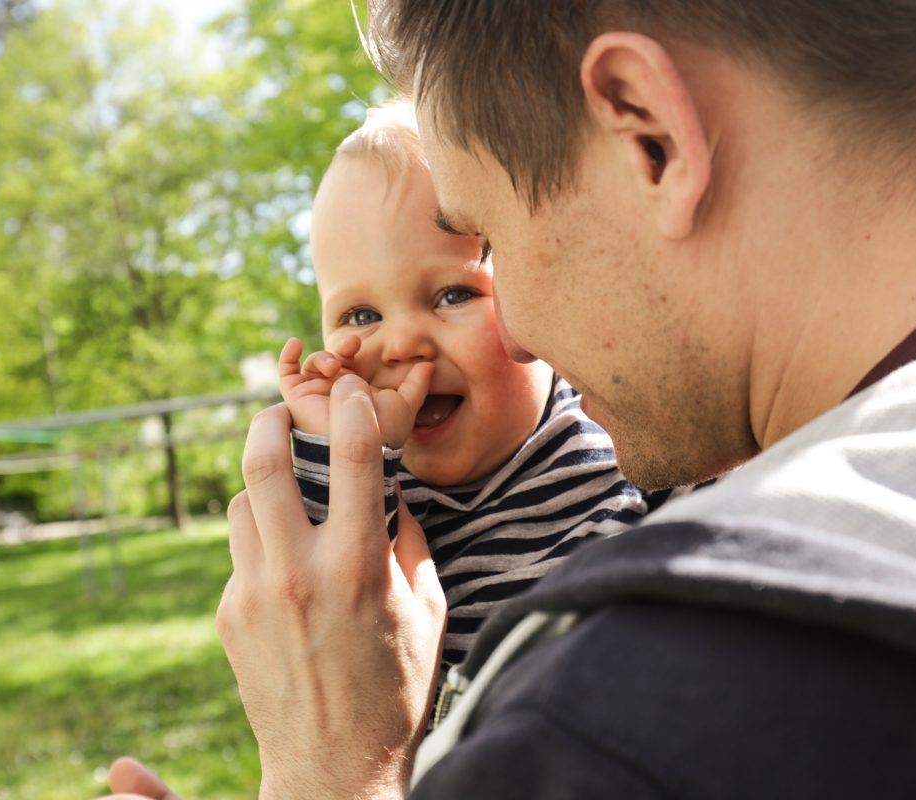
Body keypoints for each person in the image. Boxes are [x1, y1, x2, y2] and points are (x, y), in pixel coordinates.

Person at [101, 0, 916, 797]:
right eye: (361, 314)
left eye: (493, 241)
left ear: (650, 134)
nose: (520, 335)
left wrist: (330, 776)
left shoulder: (609, 727)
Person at [279, 102, 675, 671]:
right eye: (361, 316)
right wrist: (334, 448)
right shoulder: (376, 502)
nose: (400, 345)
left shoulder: (626, 440)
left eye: (453, 295)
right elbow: (331, 607)